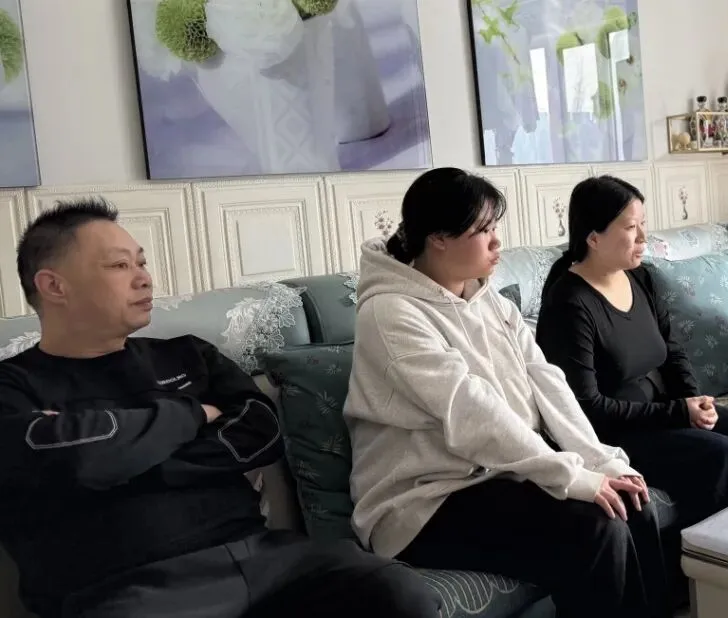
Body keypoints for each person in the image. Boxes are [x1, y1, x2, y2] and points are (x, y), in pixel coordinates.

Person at [0, 199, 442, 618]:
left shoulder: (188, 356)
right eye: (119, 266)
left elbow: (261, 435)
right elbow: (76, 461)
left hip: (265, 559)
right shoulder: (13, 386)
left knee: (397, 592)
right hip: (125, 586)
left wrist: (120, 454)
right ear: (54, 285)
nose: (144, 279)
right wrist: (192, 415)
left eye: (141, 263)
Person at [343, 167, 671, 618]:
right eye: (483, 230)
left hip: (499, 475)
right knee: (598, 528)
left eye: (495, 227)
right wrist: (570, 477)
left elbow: (547, 382)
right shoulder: (390, 313)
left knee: (633, 501)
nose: (497, 242)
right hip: (424, 501)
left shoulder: (491, 301)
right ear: (438, 238)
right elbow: (471, 412)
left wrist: (600, 461)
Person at [535, 176, 728, 529]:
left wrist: (693, 400)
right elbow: (587, 408)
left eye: (643, 224)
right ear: (593, 238)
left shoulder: (641, 278)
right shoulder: (569, 303)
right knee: (727, 457)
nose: (643, 237)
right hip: (616, 434)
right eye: (631, 227)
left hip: (665, 412)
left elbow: (672, 350)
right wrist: (678, 413)